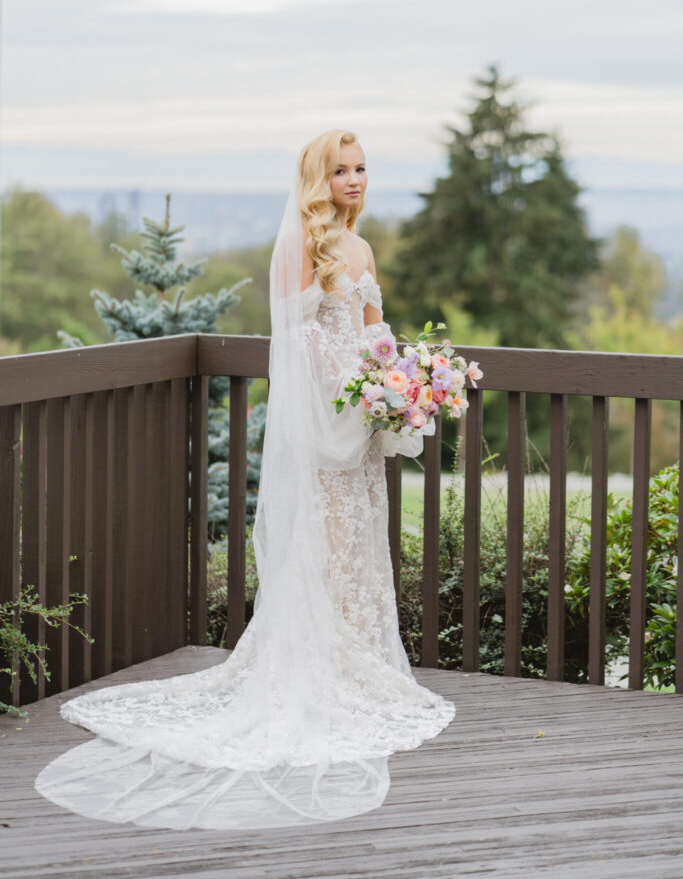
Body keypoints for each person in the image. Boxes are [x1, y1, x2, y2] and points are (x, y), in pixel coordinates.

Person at [35, 129, 455, 831]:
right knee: (320, 548)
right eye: (340, 170)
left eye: (361, 168)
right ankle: (319, 668)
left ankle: (361, 663)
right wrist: (353, 391)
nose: (354, 180)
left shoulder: (361, 248)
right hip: (327, 424)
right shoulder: (300, 246)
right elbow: (298, 342)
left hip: (362, 425)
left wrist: (400, 382)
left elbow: (378, 331)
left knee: (357, 550)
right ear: (318, 180)